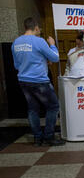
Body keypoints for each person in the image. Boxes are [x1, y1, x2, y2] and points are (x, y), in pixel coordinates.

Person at [12, 17, 65, 146]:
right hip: (39, 81)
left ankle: (37, 138)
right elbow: (55, 58)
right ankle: (49, 136)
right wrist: (52, 44)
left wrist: (41, 61)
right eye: (39, 29)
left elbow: (17, 65)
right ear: (35, 28)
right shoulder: (39, 41)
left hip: (23, 81)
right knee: (53, 106)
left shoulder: (16, 43)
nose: (40, 31)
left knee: (32, 109)